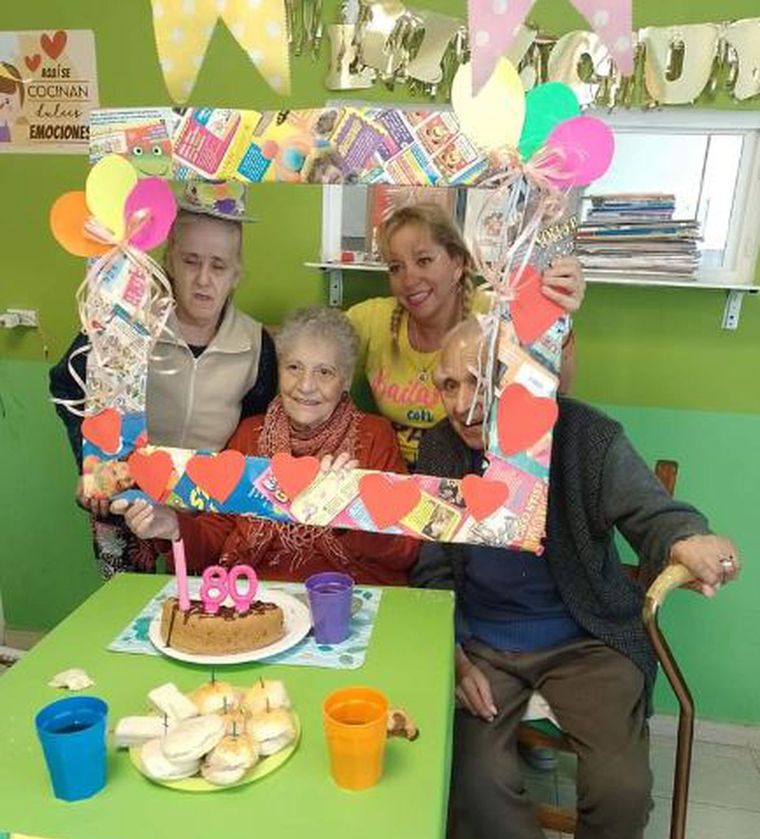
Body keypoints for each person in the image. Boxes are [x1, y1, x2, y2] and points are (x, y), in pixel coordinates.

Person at [412, 318, 741, 839]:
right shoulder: (439, 451)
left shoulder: (584, 436)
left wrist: (689, 539)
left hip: (584, 633)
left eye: (481, 380)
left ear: (518, 378)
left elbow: (654, 512)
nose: (463, 401)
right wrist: (451, 648)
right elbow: (430, 566)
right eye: (448, 383)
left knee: (622, 787)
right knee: (478, 780)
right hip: (485, 644)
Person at [49, 179, 278, 576]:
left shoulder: (255, 345)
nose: (204, 278)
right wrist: (90, 464)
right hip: (124, 501)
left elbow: (256, 435)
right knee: (127, 616)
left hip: (204, 518)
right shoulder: (125, 321)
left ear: (236, 273)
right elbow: (65, 383)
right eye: (191, 261)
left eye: (218, 265)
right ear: (170, 260)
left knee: (198, 618)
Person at [118, 307, 419, 585]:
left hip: (346, 596)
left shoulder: (374, 436)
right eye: (294, 367)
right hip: (257, 592)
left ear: (346, 380)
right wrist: (173, 526)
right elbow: (217, 532)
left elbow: (405, 550)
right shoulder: (249, 434)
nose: (305, 385)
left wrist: (347, 512)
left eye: (324, 372)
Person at [345, 201, 585, 467]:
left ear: (457, 262)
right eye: (395, 267)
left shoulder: (497, 316)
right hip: (389, 476)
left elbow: (556, 392)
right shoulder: (368, 320)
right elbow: (308, 355)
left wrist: (555, 314)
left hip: (471, 472)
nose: (409, 279)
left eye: (423, 260)